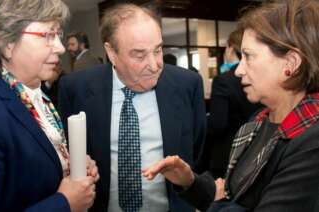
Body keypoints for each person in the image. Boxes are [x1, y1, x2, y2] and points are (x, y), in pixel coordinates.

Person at [143, 0, 319, 211]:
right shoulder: (257, 122)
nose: (238, 71)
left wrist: (218, 203)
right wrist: (190, 181)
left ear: (290, 64)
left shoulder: (311, 141)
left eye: (248, 56)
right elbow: (234, 195)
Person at [58, 3, 206, 212]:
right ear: (111, 52)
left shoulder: (187, 85)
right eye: (139, 55)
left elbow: (198, 157)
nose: (154, 64)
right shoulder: (76, 89)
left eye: (158, 50)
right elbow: (70, 158)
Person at [0, 0, 99, 211]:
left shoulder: (32, 94)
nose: (60, 48)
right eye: (47, 36)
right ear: (6, 42)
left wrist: (68, 163)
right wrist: (65, 203)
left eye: (58, 35)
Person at [206, 29, 262, 178]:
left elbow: (218, 124)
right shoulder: (263, 77)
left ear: (230, 48)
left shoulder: (223, 80)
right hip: (258, 150)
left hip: (228, 153)